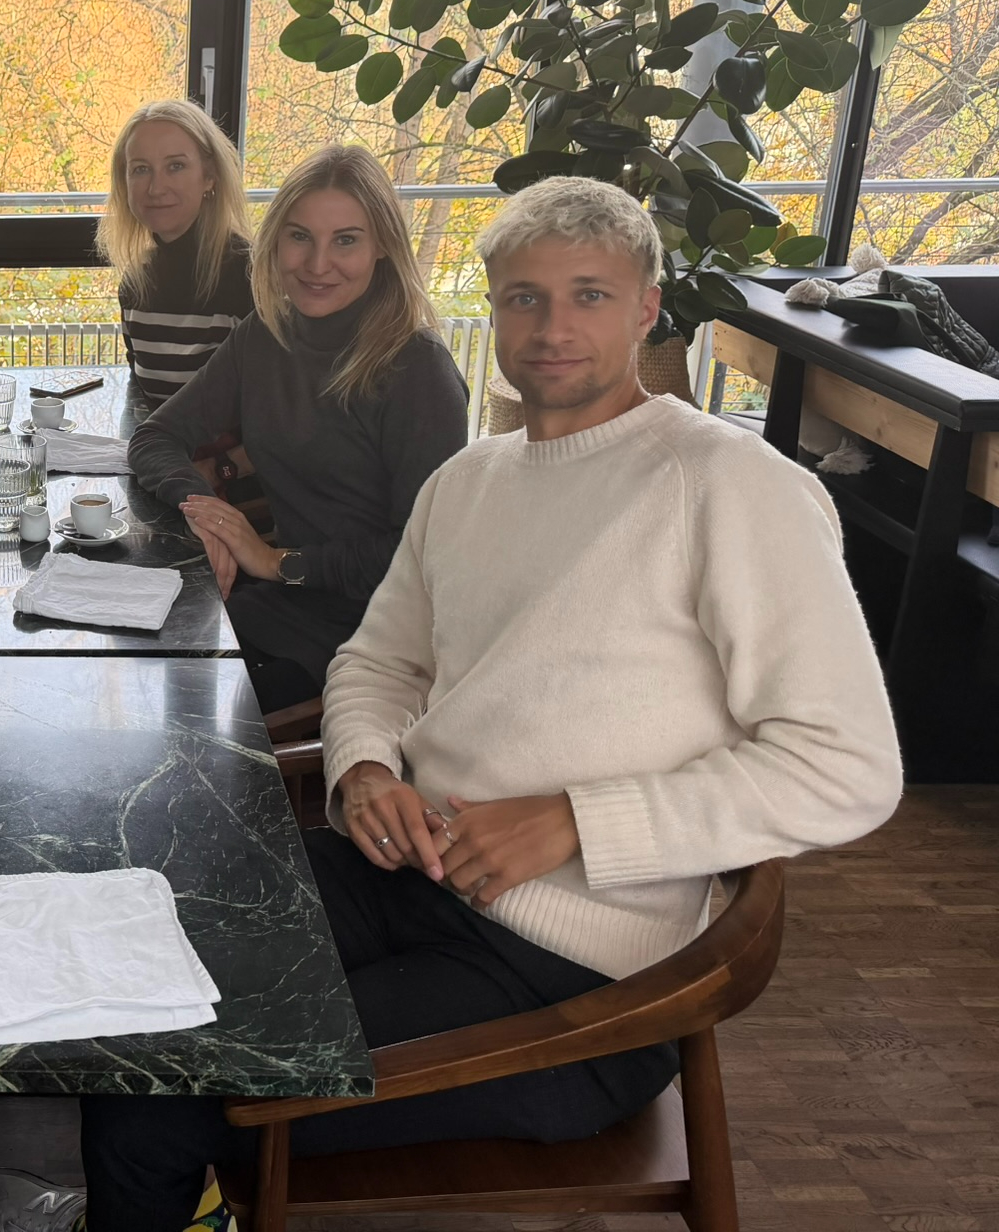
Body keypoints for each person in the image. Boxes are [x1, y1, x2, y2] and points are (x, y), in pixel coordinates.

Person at [79, 176, 903, 1231]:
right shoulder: (468, 483)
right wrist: (365, 767)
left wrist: (571, 821)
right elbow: (374, 665)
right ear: (491, 308)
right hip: (406, 871)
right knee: (118, 969)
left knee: (153, 1085)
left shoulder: (729, 485)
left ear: (647, 307)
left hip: (573, 978)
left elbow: (843, 766)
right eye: (523, 299)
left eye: (588, 296)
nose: (551, 328)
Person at [127, 143, 469, 710]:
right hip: (286, 598)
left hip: (378, 633)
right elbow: (155, 437)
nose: (316, 265)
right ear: (276, 240)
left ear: (382, 246)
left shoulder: (417, 369)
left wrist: (275, 562)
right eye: (300, 236)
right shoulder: (265, 335)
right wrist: (207, 511)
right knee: (149, 661)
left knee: (192, 716)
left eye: (346, 240)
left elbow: (419, 555)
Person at [97, 99, 256, 408]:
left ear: (209, 176)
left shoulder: (250, 275)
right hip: (165, 452)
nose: (156, 188)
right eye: (141, 169)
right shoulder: (135, 283)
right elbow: (149, 402)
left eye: (176, 166)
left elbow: (272, 410)